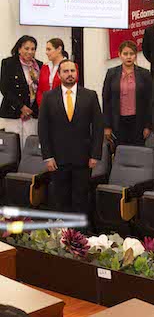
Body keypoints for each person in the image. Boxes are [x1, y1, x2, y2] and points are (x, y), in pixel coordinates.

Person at [35, 61, 100, 213]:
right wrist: (47, 156)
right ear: (59, 75)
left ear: (77, 73)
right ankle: (62, 234)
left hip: (83, 159)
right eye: (65, 71)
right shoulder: (48, 97)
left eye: (72, 71)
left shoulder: (90, 95)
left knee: (81, 200)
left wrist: (95, 155)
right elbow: (43, 129)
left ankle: (79, 235)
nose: (69, 74)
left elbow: (98, 127)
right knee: (60, 199)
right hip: (57, 159)